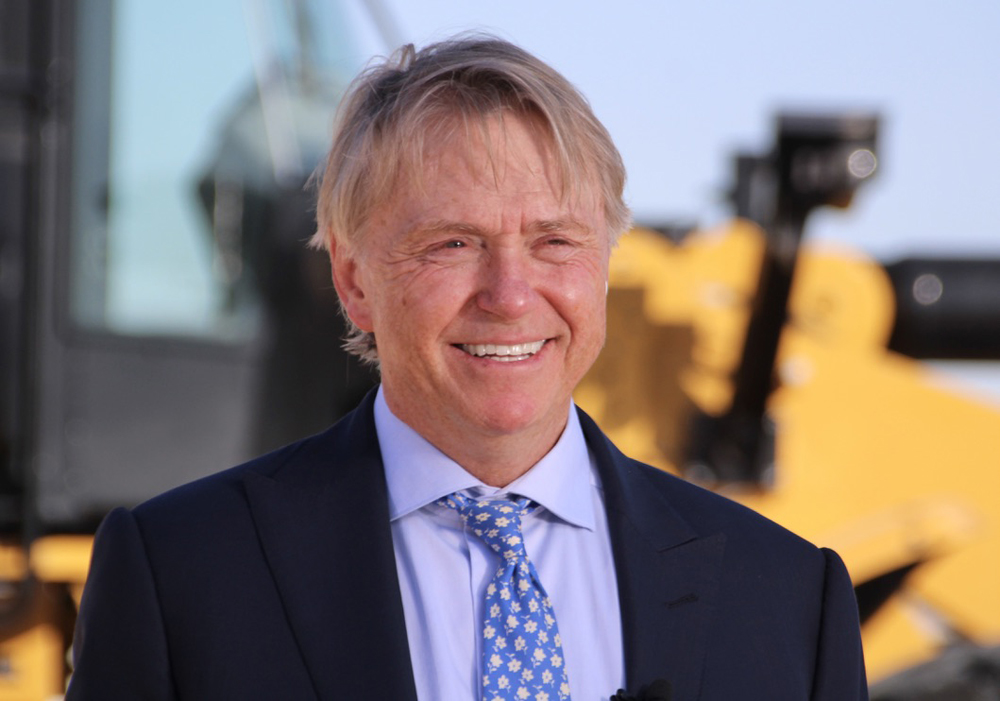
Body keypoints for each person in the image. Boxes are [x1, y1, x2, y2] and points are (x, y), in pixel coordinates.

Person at [67, 36, 867, 701]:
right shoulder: (180, 575)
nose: (512, 296)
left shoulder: (791, 600)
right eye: (453, 244)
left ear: (604, 265)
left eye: (555, 241)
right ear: (354, 282)